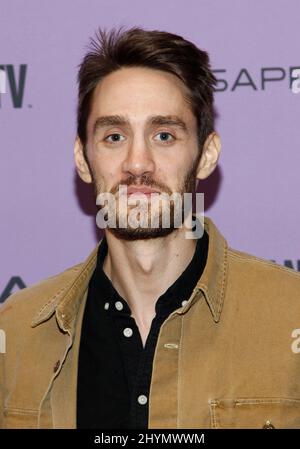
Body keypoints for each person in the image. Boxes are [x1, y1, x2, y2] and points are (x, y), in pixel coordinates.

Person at [1, 26, 300, 430]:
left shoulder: (290, 316)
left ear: (207, 155)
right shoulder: (15, 333)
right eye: (113, 136)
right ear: (83, 158)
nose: (138, 163)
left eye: (163, 135)